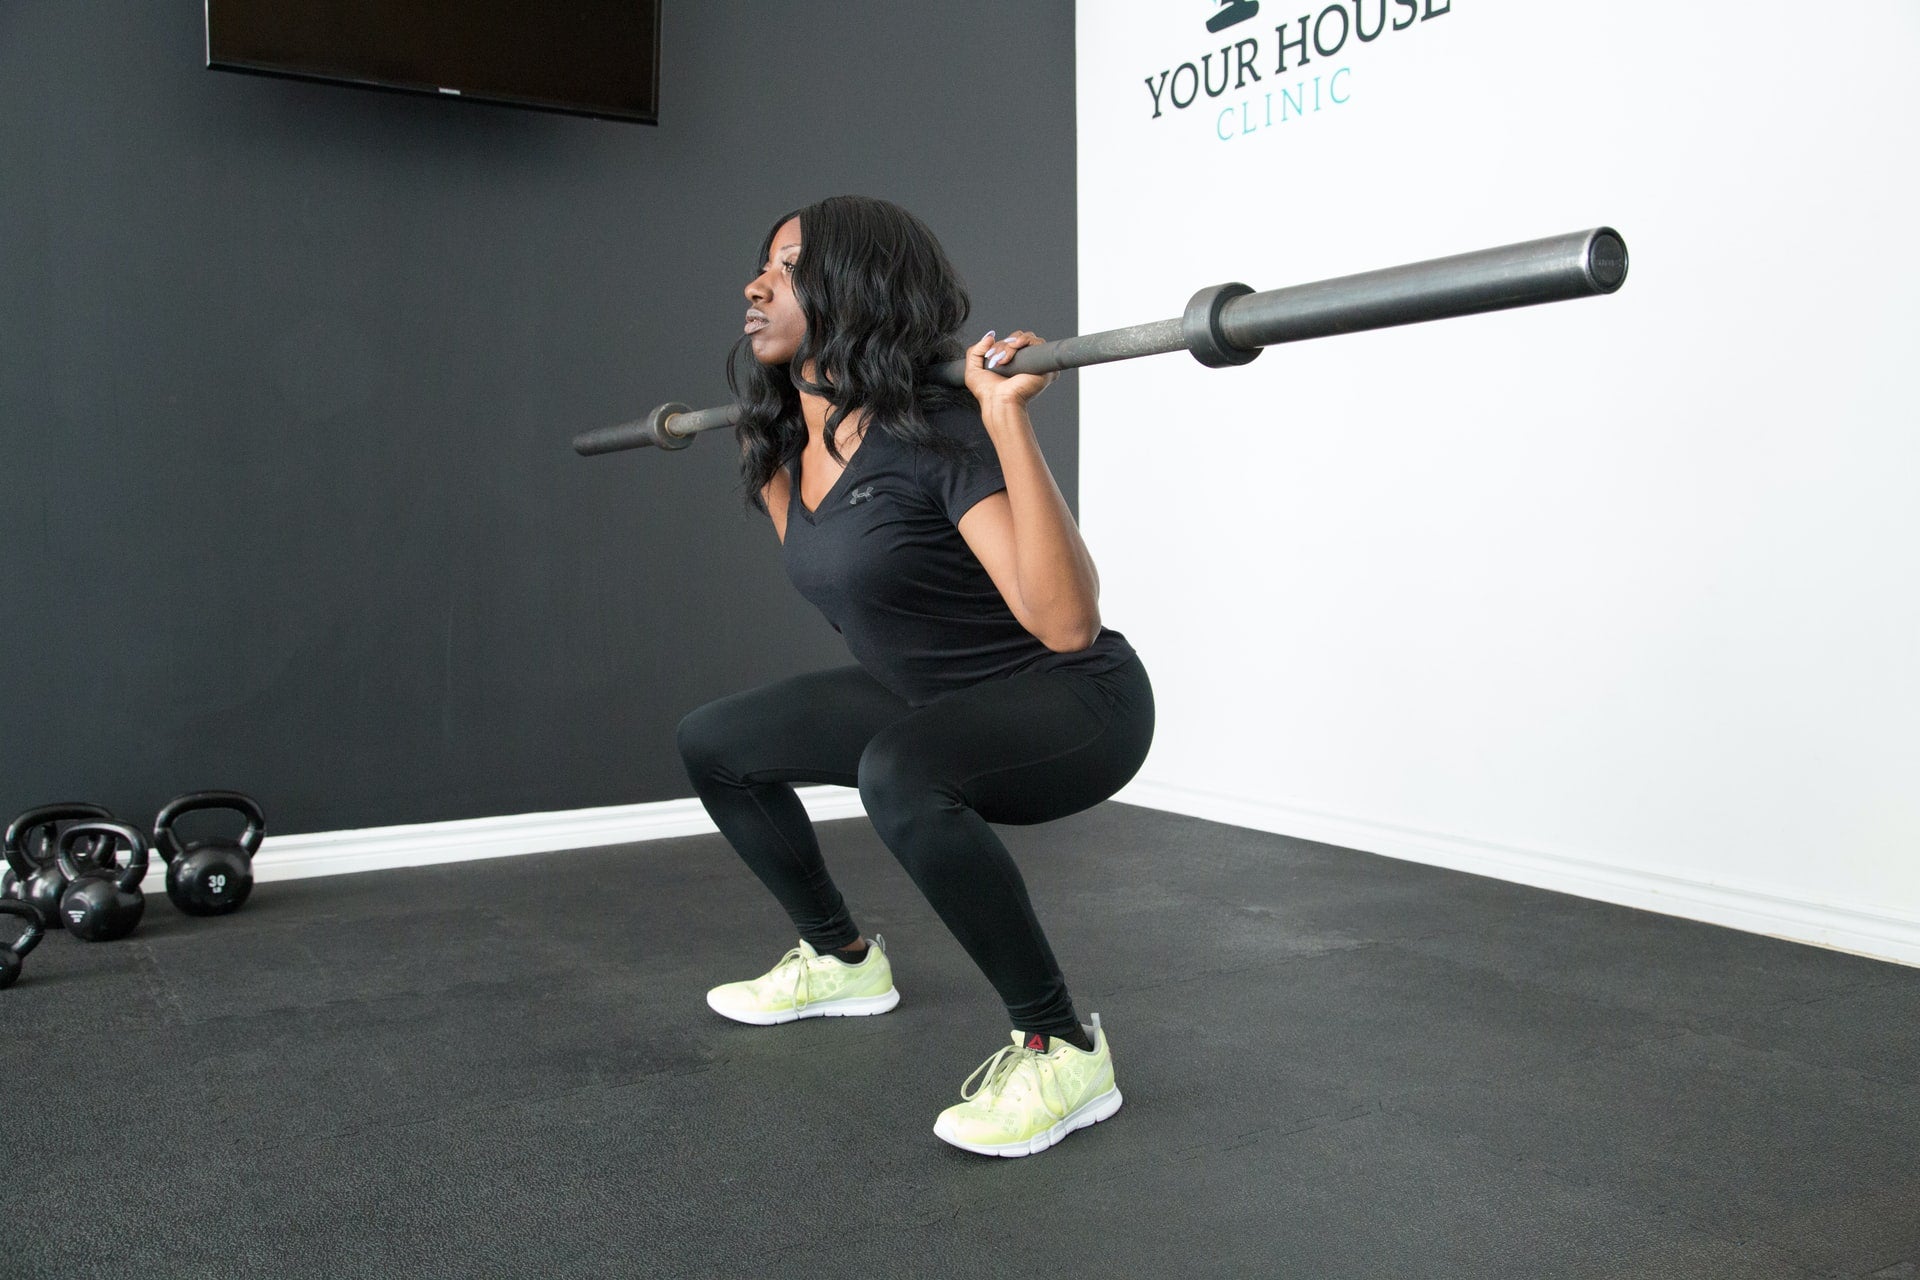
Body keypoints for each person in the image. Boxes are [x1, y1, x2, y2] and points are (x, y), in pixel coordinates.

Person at [675, 195, 1155, 1158]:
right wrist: (784, 416)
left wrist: (1003, 418)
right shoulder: (786, 446)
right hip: (930, 698)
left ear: (859, 288)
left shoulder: (938, 432)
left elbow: (1064, 625)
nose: (756, 284)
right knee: (717, 743)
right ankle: (842, 960)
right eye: (761, 263)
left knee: (900, 770)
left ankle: (1061, 1047)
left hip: (1074, 699)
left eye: (792, 266)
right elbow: (847, 586)